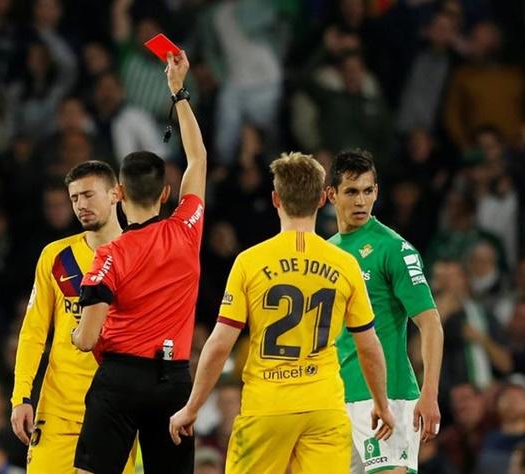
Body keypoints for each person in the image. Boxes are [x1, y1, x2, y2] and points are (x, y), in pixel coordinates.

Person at [170, 152, 395, 473]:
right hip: (324, 408)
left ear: (276, 199)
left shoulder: (250, 262)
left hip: (267, 408)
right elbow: (369, 345)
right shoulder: (345, 264)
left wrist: (192, 407)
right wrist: (382, 404)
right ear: (321, 199)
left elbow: (220, 344)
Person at [72, 50, 205, 474]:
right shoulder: (187, 228)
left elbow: (88, 338)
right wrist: (177, 91)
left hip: (121, 381)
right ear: (166, 194)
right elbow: (198, 157)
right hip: (174, 382)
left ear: (120, 195)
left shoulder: (109, 255)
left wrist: (77, 334)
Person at [10, 161, 135, 473]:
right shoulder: (56, 257)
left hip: (117, 409)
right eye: (75, 198)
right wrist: (21, 396)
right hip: (58, 409)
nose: (81, 205)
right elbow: (33, 331)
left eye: (89, 195)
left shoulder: (141, 257)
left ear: (115, 194)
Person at [327, 149, 444, 474]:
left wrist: (429, 393)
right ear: (331, 195)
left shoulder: (394, 248)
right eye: (351, 191)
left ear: (377, 192)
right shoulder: (327, 252)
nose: (361, 200)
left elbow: (431, 323)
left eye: (368, 190)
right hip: (337, 398)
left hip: (389, 396)